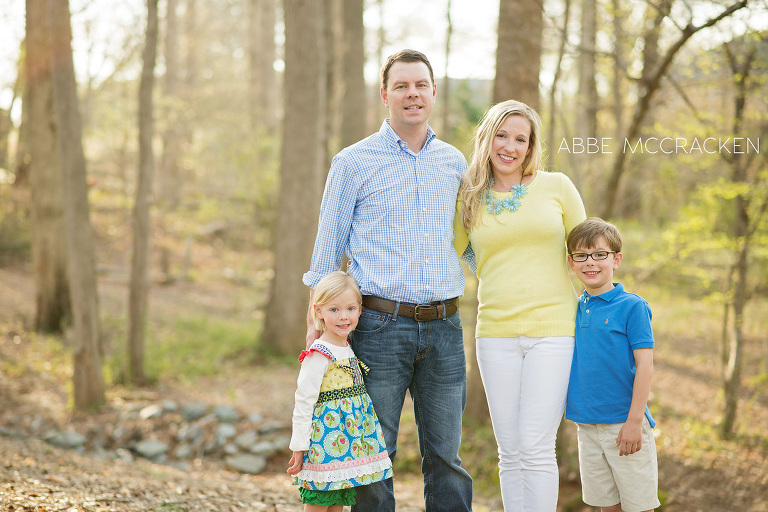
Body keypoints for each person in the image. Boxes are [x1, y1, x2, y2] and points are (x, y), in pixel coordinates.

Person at [302, 49, 473, 512]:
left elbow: (473, 243)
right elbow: (326, 249)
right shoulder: (353, 161)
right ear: (385, 95)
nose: (412, 94)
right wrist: (316, 324)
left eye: (420, 85)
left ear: (434, 92)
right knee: (373, 456)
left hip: (446, 327)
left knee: (447, 458)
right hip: (378, 327)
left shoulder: (455, 163)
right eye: (401, 86)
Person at [454, 99, 586, 511]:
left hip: (554, 331)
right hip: (495, 334)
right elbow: (449, 257)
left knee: (535, 445)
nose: (510, 146)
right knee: (509, 450)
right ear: (487, 137)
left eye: (521, 139)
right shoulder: (469, 198)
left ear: (531, 147)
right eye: (502, 135)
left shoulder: (557, 186)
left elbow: (586, 252)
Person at [565, 218, 660, 512]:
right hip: (587, 427)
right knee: (606, 507)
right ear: (571, 262)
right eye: (581, 255)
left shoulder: (632, 306)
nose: (590, 262)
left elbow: (645, 365)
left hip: (624, 424)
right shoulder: (574, 305)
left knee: (638, 507)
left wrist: (633, 422)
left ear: (616, 259)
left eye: (599, 254)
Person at [288, 271, 393, 511]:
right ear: (319, 312)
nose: (343, 317)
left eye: (350, 309)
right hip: (323, 446)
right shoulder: (318, 353)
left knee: (337, 505)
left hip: (346, 447)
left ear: (360, 310)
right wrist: (299, 446)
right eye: (334, 310)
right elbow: (304, 401)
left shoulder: (348, 348)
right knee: (318, 502)